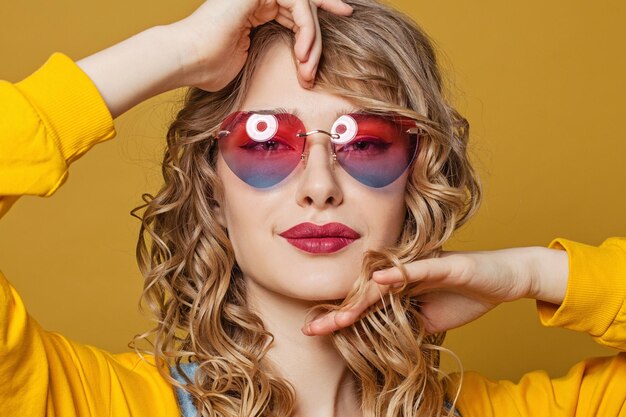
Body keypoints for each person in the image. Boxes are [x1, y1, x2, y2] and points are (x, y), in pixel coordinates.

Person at [1, 1, 624, 416]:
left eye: (367, 143)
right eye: (268, 141)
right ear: (212, 188)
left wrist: (533, 275)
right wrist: (181, 49)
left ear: (416, 180)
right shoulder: (97, 403)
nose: (320, 186)